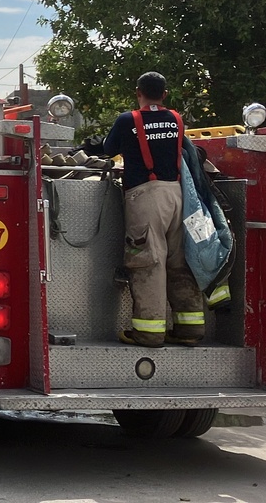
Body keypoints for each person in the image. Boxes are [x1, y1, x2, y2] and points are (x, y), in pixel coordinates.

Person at [103, 71, 205, 348]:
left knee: (148, 260)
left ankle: (149, 333)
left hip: (146, 196)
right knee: (179, 260)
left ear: (138, 93)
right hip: (178, 194)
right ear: (165, 94)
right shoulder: (176, 119)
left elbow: (107, 148)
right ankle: (189, 329)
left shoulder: (128, 120)